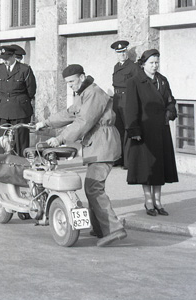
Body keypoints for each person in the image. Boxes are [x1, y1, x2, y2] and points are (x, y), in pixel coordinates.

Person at [36, 64, 126, 247]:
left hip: (103, 144)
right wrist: (46, 123)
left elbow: (83, 122)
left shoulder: (94, 93)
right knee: (92, 186)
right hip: (97, 145)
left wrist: (60, 139)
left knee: (94, 187)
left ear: (82, 77)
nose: (70, 85)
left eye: (72, 81)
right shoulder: (84, 93)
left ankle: (114, 229)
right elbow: (70, 113)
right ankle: (100, 228)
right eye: (67, 83)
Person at [124, 48, 178, 216]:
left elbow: (170, 100)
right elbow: (130, 108)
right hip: (144, 131)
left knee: (159, 166)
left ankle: (158, 201)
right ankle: (149, 201)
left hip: (161, 129)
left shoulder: (163, 80)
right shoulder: (134, 82)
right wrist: (134, 130)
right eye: (151, 63)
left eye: (157, 62)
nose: (155, 66)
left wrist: (169, 112)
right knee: (147, 167)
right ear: (143, 64)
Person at [0, 45, 36, 155]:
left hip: (20, 110)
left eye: (7, 59)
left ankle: (19, 162)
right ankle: (1, 162)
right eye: (3, 59)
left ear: (13, 56)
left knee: (20, 140)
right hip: (3, 109)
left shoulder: (24, 69)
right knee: (1, 139)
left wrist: (19, 101)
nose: (5, 61)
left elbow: (31, 90)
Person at [110, 39, 139, 167]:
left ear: (126, 52)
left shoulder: (133, 67)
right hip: (117, 99)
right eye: (119, 52)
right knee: (118, 129)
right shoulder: (116, 66)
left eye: (123, 51)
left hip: (127, 99)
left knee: (128, 129)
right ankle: (119, 158)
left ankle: (128, 161)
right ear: (116, 54)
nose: (122, 54)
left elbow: (137, 85)